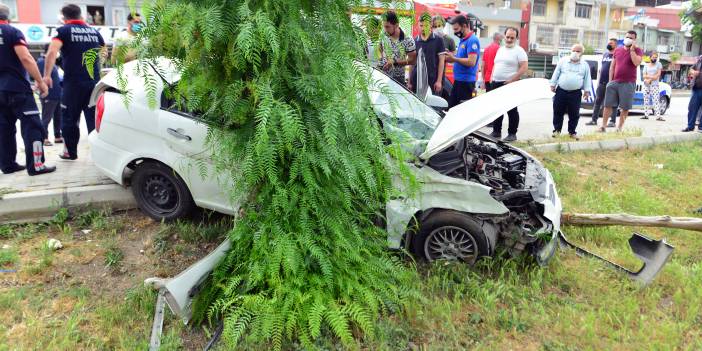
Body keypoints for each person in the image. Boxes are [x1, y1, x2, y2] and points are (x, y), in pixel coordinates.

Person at [43, 4, 106, 160]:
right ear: (80, 15)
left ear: (64, 17)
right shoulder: (94, 32)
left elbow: (52, 52)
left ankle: (70, 152)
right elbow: (104, 53)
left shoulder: (63, 31)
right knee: (94, 119)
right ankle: (100, 154)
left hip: (73, 84)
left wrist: (47, 75)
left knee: (70, 118)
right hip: (93, 83)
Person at [0, 4, 56, 176]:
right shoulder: (11, 32)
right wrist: (40, 81)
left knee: (3, 128)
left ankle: (8, 165)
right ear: (7, 17)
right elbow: (25, 57)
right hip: (17, 89)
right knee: (33, 126)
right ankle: (36, 165)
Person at [599, 30, 643, 133]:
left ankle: (619, 128)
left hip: (628, 83)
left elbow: (636, 63)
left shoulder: (638, 50)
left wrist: (632, 50)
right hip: (615, 82)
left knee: (625, 107)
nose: (628, 39)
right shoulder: (618, 50)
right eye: (627, 37)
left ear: (635, 40)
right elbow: (612, 67)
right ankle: (603, 126)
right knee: (607, 105)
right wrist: (610, 81)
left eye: (631, 38)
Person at [489, 27, 527, 142]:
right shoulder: (500, 50)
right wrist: (492, 77)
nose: (509, 39)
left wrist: (512, 79)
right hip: (496, 83)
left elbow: (524, 67)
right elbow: (496, 64)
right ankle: (496, 131)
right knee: (497, 109)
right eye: (508, 37)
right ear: (504, 36)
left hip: (510, 84)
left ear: (516, 38)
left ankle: (512, 133)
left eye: (512, 37)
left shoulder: (519, 50)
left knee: (511, 110)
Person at [549, 44, 592, 140]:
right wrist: (552, 84)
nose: (575, 53)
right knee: (558, 111)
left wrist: (587, 91)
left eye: (578, 51)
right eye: (574, 50)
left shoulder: (585, 65)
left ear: (582, 53)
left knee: (574, 114)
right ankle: (557, 131)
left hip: (575, 93)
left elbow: (587, 79)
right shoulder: (563, 61)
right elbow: (556, 72)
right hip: (561, 91)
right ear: (570, 51)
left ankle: (572, 132)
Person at [444, 15, 480, 108]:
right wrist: (452, 56)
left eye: (456, 29)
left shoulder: (472, 40)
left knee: (463, 111)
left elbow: (471, 61)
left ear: (464, 26)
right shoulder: (463, 40)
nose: (455, 32)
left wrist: (454, 59)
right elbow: (461, 58)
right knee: (451, 109)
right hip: (458, 81)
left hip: (466, 83)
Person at [410, 12, 445, 95]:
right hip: (416, 80)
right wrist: (409, 81)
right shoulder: (415, 41)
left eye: (425, 26)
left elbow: (441, 62)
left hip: (433, 81)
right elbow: (412, 62)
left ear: (431, 25)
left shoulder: (438, 40)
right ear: (418, 25)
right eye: (421, 25)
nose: (423, 28)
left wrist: (439, 81)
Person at [586, 38, 618, 127]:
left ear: (615, 45)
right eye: (608, 42)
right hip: (602, 83)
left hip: (612, 82)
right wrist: (598, 82)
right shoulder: (605, 54)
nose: (609, 44)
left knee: (613, 103)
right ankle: (593, 120)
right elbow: (601, 69)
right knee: (597, 101)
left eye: (611, 43)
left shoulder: (617, 55)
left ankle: (612, 121)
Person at [379, 11, 416, 85]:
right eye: (384, 26)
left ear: (396, 25)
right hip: (382, 76)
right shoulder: (383, 33)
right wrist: (380, 59)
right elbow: (380, 47)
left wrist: (394, 62)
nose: (385, 29)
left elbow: (413, 60)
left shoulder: (408, 39)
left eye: (387, 27)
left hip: (398, 81)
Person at [36, 45, 63, 146]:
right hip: (48, 94)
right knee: (46, 117)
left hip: (57, 94)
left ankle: (57, 136)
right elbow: (39, 77)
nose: (57, 53)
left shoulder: (53, 62)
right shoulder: (42, 61)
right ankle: (44, 137)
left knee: (58, 116)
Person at [642, 51, 664, 121]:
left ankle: (658, 116)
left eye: (656, 57)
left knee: (655, 99)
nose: (654, 58)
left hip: (654, 85)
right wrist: (650, 78)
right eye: (653, 57)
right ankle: (646, 115)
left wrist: (649, 79)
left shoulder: (658, 64)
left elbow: (657, 75)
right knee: (646, 99)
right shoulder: (646, 65)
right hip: (646, 84)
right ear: (650, 57)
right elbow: (644, 75)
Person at [684, 55, 702, 132]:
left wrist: (699, 73)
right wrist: (693, 72)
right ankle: (690, 126)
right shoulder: (700, 59)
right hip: (696, 88)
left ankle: (701, 127)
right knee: (692, 108)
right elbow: (691, 69)